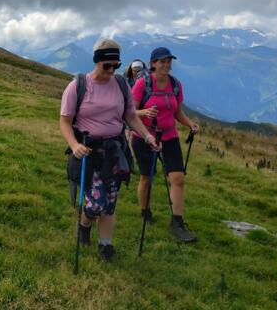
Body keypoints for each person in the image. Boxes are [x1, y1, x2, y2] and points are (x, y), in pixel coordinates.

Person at [60, 38, 160, 261]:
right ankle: (85, 224)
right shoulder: (78, 85)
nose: (111, 69)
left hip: (115, 151)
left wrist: (147, 136)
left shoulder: (122, 85)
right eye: (107, 65)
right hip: (88, 152)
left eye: (116, 65)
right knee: (96, 203)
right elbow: (65, 121)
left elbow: (131, 116)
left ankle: (105, 245)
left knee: (110, 201)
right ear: (97, 62)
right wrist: (74, 145)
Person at [131, 47, 200, 243]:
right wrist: (144, 113)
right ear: (153, 64)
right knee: (146, 177)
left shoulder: (175, 85)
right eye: (162, 61)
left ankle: (177, 222)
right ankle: (145, 211)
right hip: (144, 136)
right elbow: (129, 112)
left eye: (169, 61)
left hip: (169, 136)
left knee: (178, 178)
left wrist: (190, 124)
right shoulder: (142, 84)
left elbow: (177, 112)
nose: (166, 65)